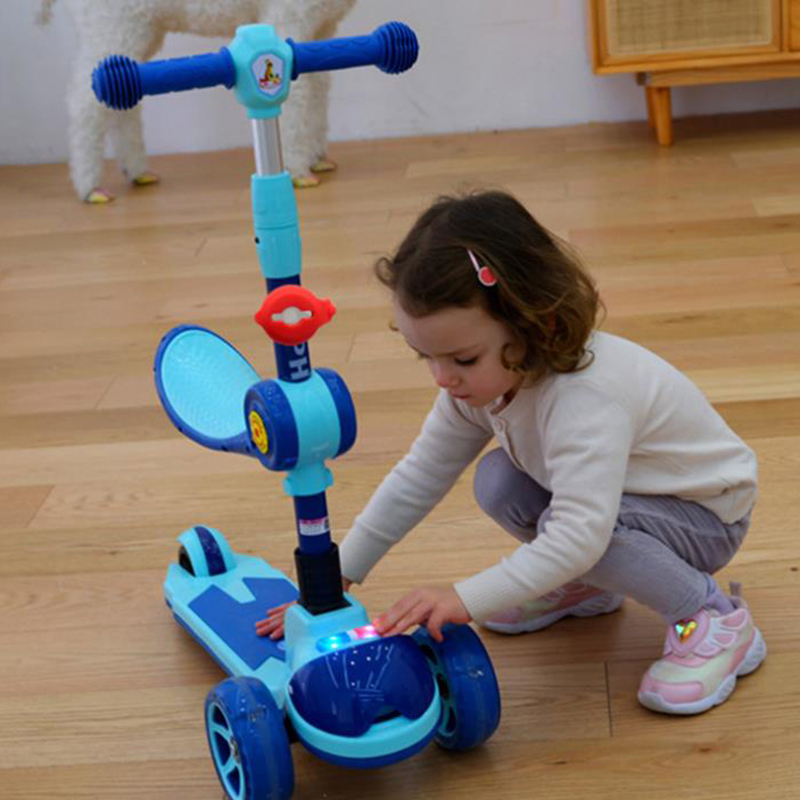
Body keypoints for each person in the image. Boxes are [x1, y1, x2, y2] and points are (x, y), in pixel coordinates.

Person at [256, 190, 765, 715]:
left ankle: (712, 617)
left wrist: (465, 596)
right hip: (627, 501)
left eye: (463, 358)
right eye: (424, 356)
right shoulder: (476, 388)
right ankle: (588, 585)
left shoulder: (586, 397)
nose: (442, 378)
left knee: (587, 540)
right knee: (498, 481)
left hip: (704, 517)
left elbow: (580, 535)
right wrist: (339, 574)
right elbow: (420, 476)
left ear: (536, 324)